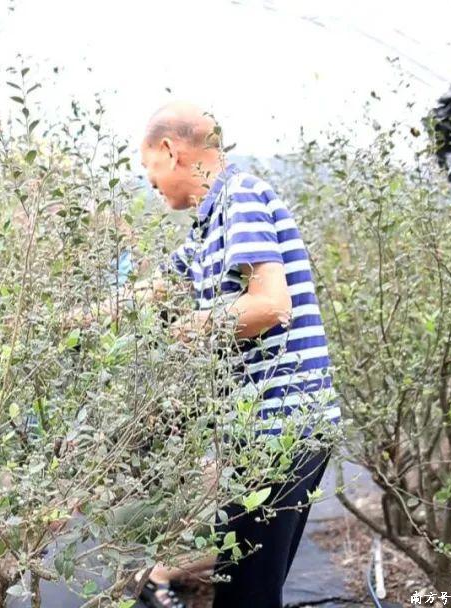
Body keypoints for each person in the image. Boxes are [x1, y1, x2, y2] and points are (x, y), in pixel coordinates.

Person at [131, 102, 339, 608]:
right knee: (240, 585)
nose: (149, 180)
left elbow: (271, 305)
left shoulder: (240, 196)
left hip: (281, 432)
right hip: (256, 436)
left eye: (147, 166)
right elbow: (150, 293)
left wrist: (190, 328)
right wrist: (63, 320)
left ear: (169, 150)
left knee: (249, 595)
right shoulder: (205, 229)